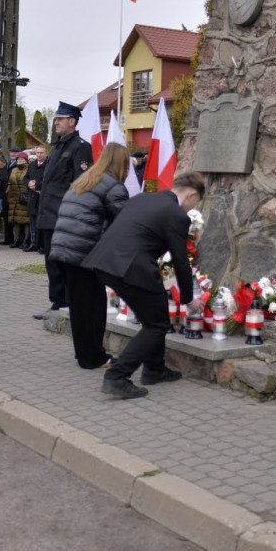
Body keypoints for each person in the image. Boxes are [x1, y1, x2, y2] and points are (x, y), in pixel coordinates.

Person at [84, 171, 206, 399]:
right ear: (190, 195)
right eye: (195, 202)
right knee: (157, 324)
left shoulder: (142, 198)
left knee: (156, 312)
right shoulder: (177, 215)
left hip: (104, 261)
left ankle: (155, 369)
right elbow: (181, 261)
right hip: (130, 267)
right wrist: (189, 299)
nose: (191, 208)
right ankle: (117, 377)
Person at [50, 143, 130, 369]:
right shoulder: (113, 186)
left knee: (79, 306)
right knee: (93, 306)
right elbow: (124, 222)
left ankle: (84, 354)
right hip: (83, 252)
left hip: (64, 248)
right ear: (121, 163)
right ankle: (92, 357)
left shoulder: (85, 179)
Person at [33, 102, 94, 318]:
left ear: (72, 121)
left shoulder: (80, 147)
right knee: (52, 263)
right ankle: (57, 303)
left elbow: (82, 184)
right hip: (48, 215)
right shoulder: (58, 146)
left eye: (60, 118)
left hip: (64, 216)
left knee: (65, 263)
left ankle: (69, 304)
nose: (56, 121)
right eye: (56, 118)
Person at [24, 145, 47, 252]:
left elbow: (49, 180)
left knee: (41, 223)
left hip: (42, 199)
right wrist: (29, 183)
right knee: (32, 222)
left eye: (41, 153)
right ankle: (33, 243)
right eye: (37, 153)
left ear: (46, 154)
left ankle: (41, 245)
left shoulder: (49, 165)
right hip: (32, 198)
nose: (39, 154)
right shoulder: (32, 164)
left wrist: (37, 185)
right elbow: (26, 177)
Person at [6, 151, 31, 248]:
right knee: (15, 221)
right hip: (14, 198)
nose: (20, 160)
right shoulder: (13, 170)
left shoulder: (29, 169)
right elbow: (10, 183)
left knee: (25, 221)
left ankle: (26, 241)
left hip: (24, 198)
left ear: (26, 160)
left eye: (22, 159)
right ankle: (17, 240)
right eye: (18, 159)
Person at [1, 146, 22, 246]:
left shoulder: (19, 165)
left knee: (15, 218)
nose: (13, 154)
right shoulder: (7, 163)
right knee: (6, 217)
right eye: (11, 152)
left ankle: (17, 239)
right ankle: (8, 238)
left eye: (15, 152)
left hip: (15, 194)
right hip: (6, 194)